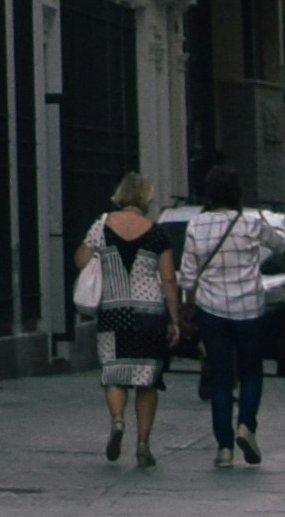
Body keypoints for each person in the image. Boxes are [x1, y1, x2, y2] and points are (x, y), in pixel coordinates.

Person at [171, 168, 272, 473]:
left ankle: (225, 448)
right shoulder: (251, 223)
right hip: (249, 310)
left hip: (212, 310)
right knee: (252, 372)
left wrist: (186, 304)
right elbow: (279, 243)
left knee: (220, 378)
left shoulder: (197, 225)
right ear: (238, 193)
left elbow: (187, 274)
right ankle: (246, 426)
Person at [77, 173, 178, 467]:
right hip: (150, 314)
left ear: (120, 195)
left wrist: (103, 261)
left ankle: (118, 420)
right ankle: (143, 444)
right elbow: (169, 278)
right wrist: (174, 319)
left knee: (115, 374)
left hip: (113, 310)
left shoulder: (101, 225)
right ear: (146, 197)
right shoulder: (157, 233)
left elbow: (80, 259)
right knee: (147, 380)